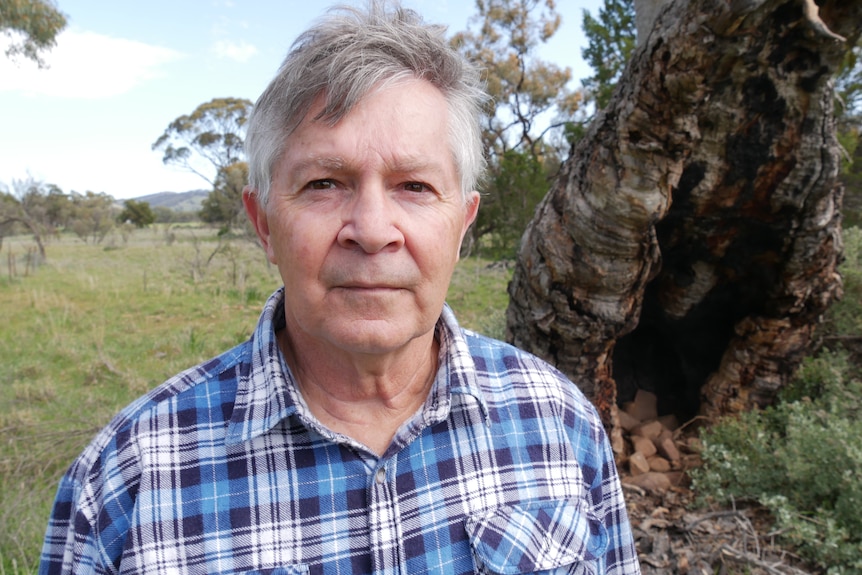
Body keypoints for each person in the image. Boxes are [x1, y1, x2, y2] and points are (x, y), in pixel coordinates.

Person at [39, 2, 641, 574]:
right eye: (325, 183)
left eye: (415, 186)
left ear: (462, 225)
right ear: (264, 224)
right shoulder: (127, 480)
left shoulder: (558, 423)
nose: (374, 231)